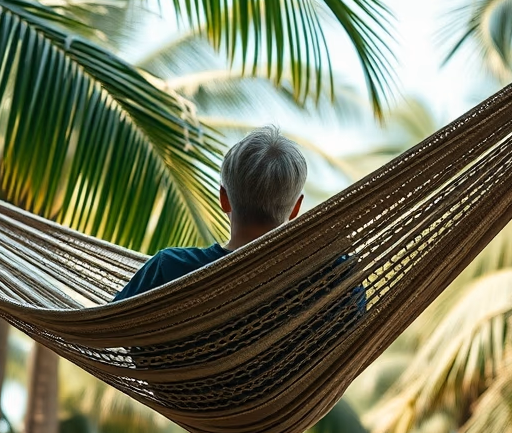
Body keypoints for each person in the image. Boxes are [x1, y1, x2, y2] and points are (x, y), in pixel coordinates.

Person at [112, 127, 364, 321]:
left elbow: (107, 328)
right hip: (298, 390)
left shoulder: (169, 270)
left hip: (191, 388)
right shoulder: (338, 280)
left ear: (224, 199)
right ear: (296, 208)